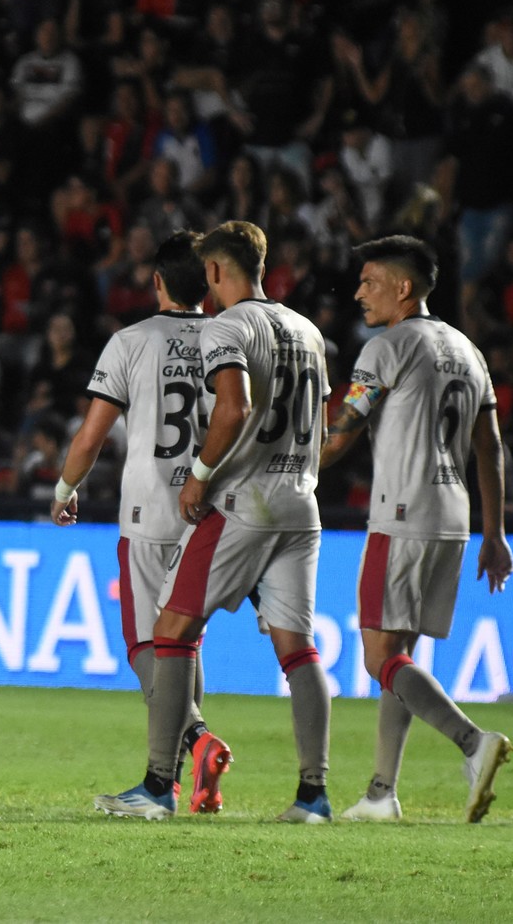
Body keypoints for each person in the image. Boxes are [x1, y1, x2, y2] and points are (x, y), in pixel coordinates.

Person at [95, 220, 332, 822]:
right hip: (302, 501)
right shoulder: (306, 330)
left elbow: (235, 407)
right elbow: (323, 424)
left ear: (216, 272)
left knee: (170, 631)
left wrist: (200, 475)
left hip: (244, 502)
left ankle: (156, 788)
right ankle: (313, 795)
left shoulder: (230, 326)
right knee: (298, 651)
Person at [320, 235, 513, 823]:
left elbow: (339, 437)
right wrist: (495, 532)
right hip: (452, 521)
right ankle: (382, 793)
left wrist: (279, 460)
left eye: (370, 281)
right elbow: (491, 449)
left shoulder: (386, 348)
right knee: (400, 656)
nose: (358, 293)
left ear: (403, 289)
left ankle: (473, 742)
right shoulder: (467, 350)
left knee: (380, 657)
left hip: (401, 516)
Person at [50, 233, 233, 814]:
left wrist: (64, 489)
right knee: (188, 644)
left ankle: (192, 746)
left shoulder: (130, 342)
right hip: (209, 510)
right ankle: (179, 779)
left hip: (150, 511)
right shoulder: (231, 339)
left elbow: (91, 436)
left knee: (146, 644)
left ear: (157, 282)